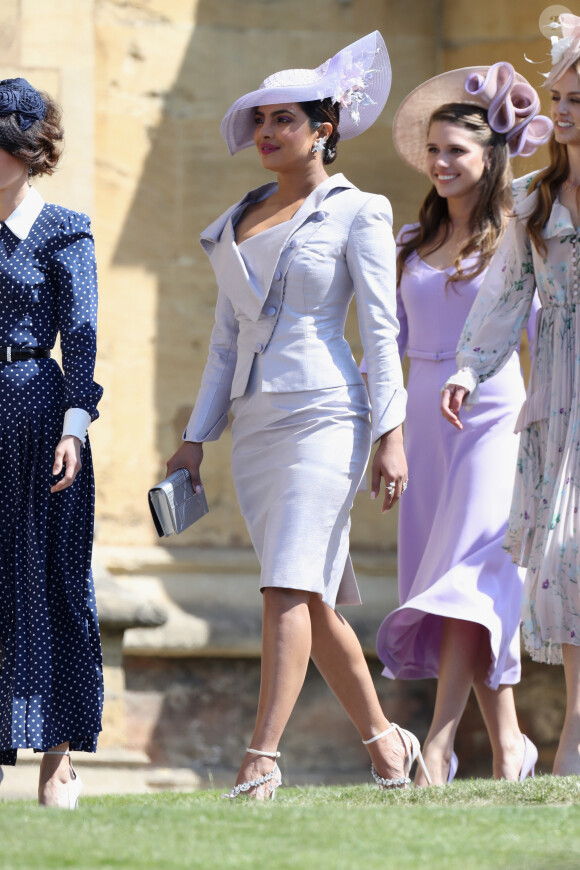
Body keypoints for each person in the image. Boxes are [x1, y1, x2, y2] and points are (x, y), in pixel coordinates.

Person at [166, 31, 429, 798]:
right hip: (255, 424)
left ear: (325, 128)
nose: (268, 133)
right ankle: (389, 747)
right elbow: (222, 343)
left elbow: (382, 333)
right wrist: (193, 441)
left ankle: (260, 761)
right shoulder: (234, 222)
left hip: (328, 413)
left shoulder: (360, 210)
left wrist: (392, 434)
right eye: (261, 121)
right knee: (307, 597)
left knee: (283, 587)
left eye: (285, 119)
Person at [368, 63, 551, 785]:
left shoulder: (518, 239)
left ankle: (437, 749)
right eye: (435, 151)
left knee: (466, 579)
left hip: (494, 417)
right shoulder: (410, 241)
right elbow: (382, 348)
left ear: (489, 159)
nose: (442, 163)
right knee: (451, 585)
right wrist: (383, 432)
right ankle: (511, 747)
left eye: (457, 152)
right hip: (420, 420)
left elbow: (547, 339)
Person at [441, 13, 580, 777]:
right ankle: (574, 734)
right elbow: (502, 297)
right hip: (562, 394)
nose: (561, 112)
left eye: (577, 99)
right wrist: (468, 368)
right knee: (566, 552)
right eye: (558, 97)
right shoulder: (533, 200)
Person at [0, 78, 103, 807]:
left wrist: (74, 427)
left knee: (53, 578)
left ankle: (58, 757)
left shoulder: (66, 228)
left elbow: (85, 344)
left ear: (25, 151)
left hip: (41, 416)